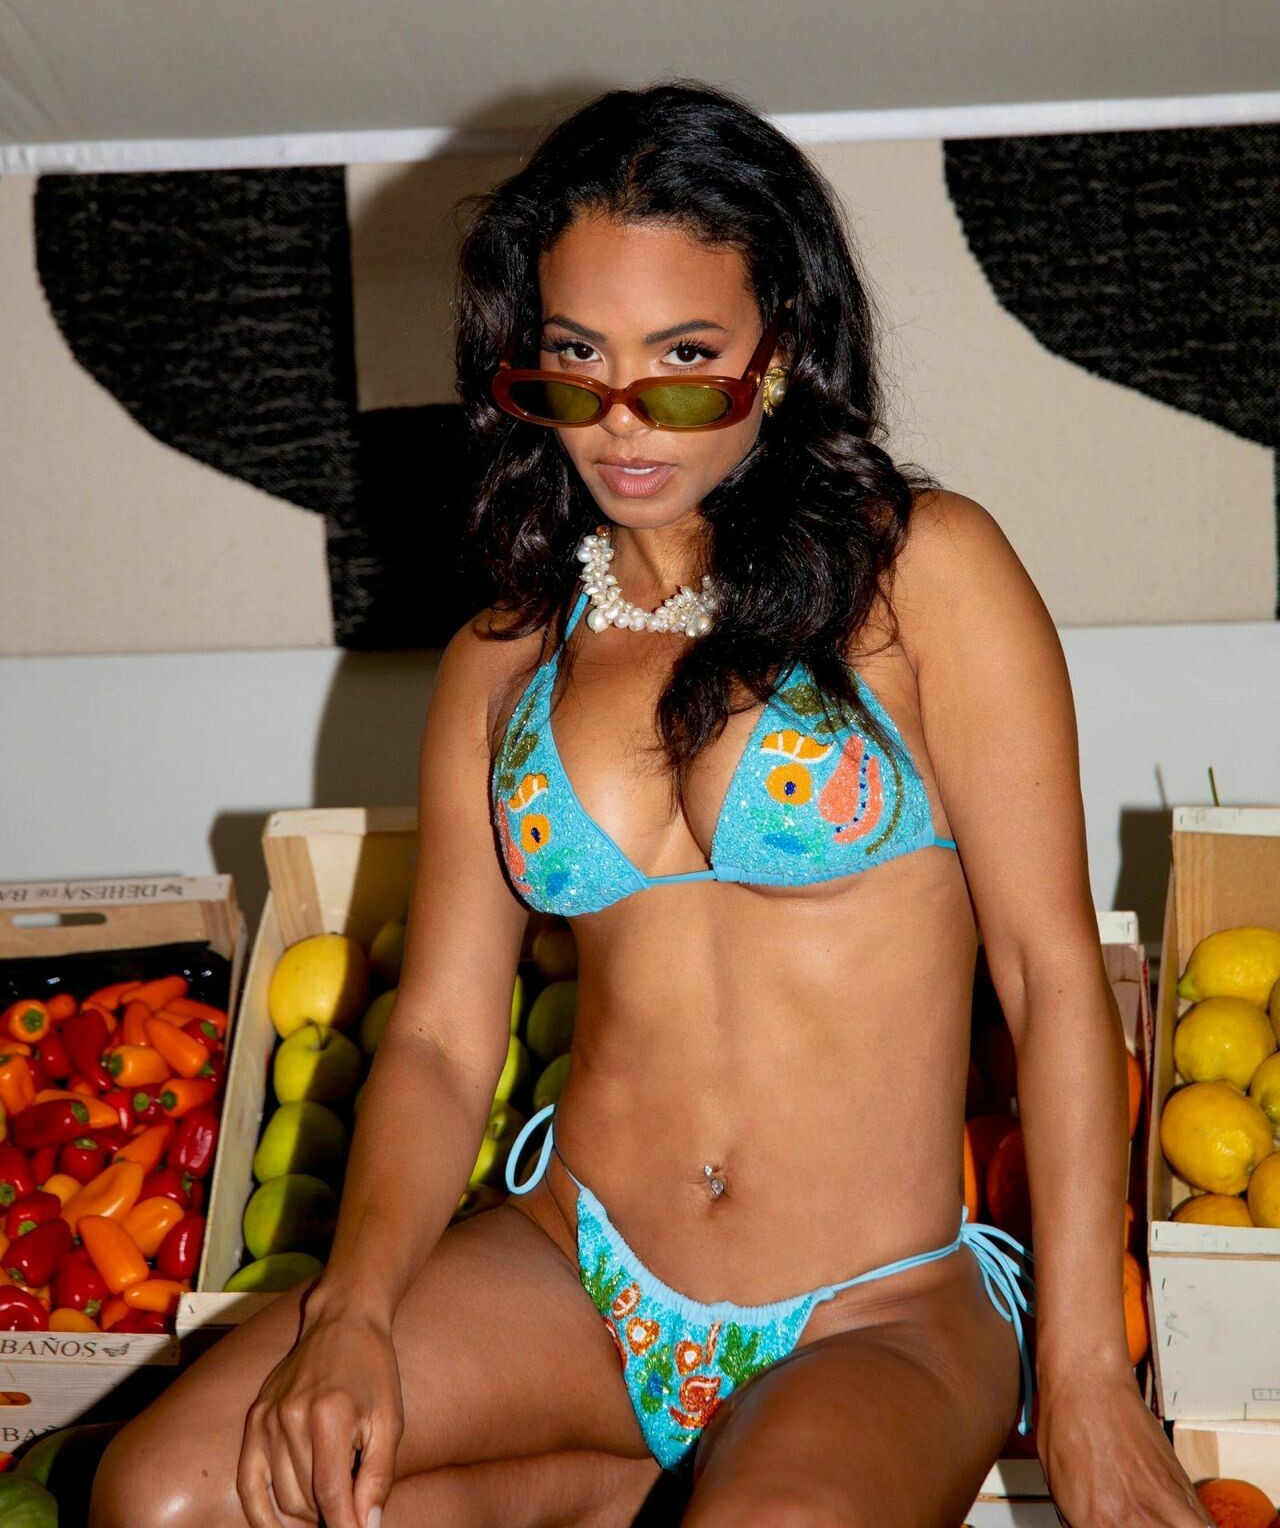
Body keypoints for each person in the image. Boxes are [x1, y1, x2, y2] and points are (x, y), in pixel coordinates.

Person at [90, 81, 1213, 1528]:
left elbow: (1053, 978)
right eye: (578, 362)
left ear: (780, 348)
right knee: (168, 1493)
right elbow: (438, 1038)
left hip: (876, 1309)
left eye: (684, 363)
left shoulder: (922, 572)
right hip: (577, 1270)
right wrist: (353, 1310)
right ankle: (626, 1480)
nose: (623, 423)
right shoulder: (505, 658)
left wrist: (1087, 1376)